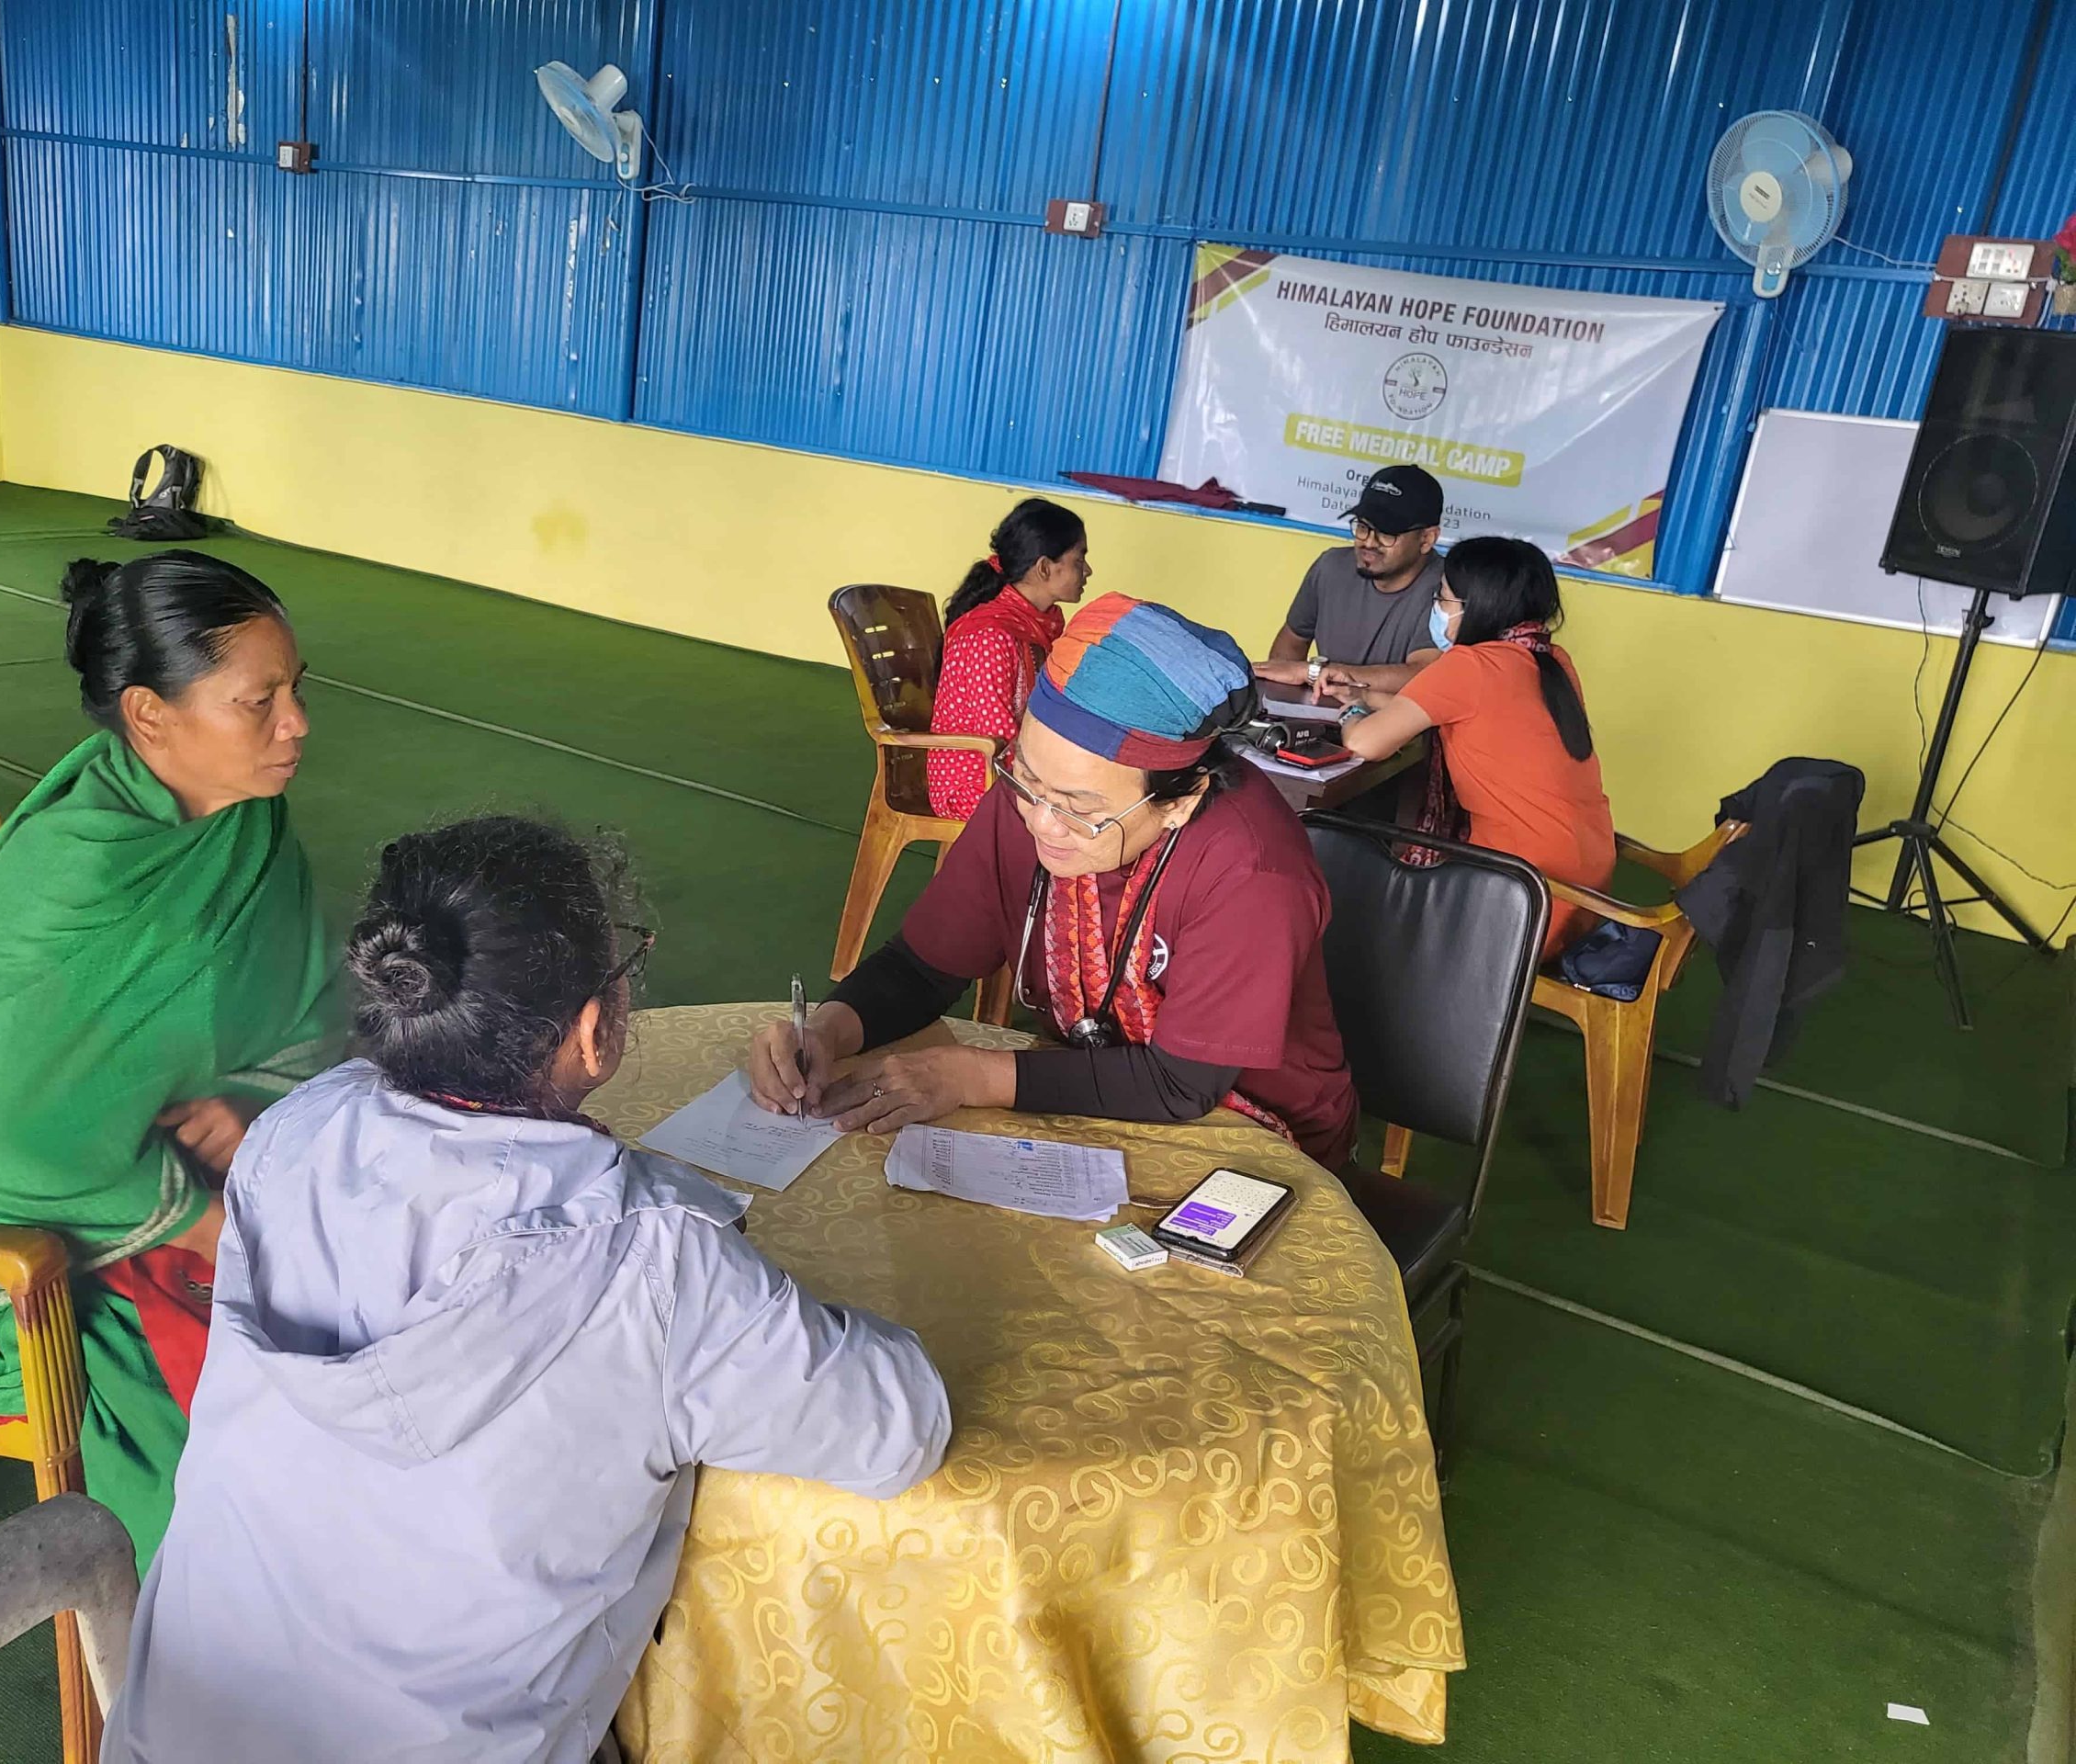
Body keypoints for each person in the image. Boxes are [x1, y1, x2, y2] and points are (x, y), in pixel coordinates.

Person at [103, 818, 950, 1764]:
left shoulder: (295, 1132)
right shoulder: (658, 1259)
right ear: (594, 1031)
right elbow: (898, 1430)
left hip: (175, 1739)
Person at [0, 551, 340, 1573]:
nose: (296, 721)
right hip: (23, 1230)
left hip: (165, 1167)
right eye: (259, 699)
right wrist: (201, 1218)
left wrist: (245, 1099)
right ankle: (229, 1645)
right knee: (260, 1408)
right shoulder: (72, 870)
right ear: (149, 715)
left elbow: (293, 1005)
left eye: (296, 690)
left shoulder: (247, 824)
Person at [751, 593, 1358, 1171]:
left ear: (1180, 801)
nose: (1042, 822)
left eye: (1077, 806)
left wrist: (973, 1075)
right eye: (1027, 779)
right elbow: (920, 968)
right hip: (1087, 1102)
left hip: (1250, 1135)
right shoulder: (1032, 802)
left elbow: (1182, 1084)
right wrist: (826, 1034)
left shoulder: (1250, 872)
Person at [1328, 536, 1616, 953]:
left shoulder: (1472, 665)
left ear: (1476, 607)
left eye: (1443, 598)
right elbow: (1451, 711)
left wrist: (1350, 715)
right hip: (1586, 882)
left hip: (1527, 892)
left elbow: (1364, 743)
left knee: (1353, 875)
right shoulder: (1549, 659)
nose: (1437, 609)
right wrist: (1365, 696)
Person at [927, 497, 1092, 820]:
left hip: (1019, 771)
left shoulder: (1041, 623)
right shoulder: (990, 634)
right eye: (1079, 559)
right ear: (1045, 567)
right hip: (977, 780)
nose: (1087, 570)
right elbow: (998, 734)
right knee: (1088, 812)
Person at [1255, 464, 1447, 691]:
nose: (1368, 542)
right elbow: (1291, 644)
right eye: (1363, 527)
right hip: (1321, 715)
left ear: (1426, 539)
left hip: (1398, 724)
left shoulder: (1449, 589)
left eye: (1387, 534)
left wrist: (1322, 674)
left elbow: (1423, 675)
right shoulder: (1330, 567)